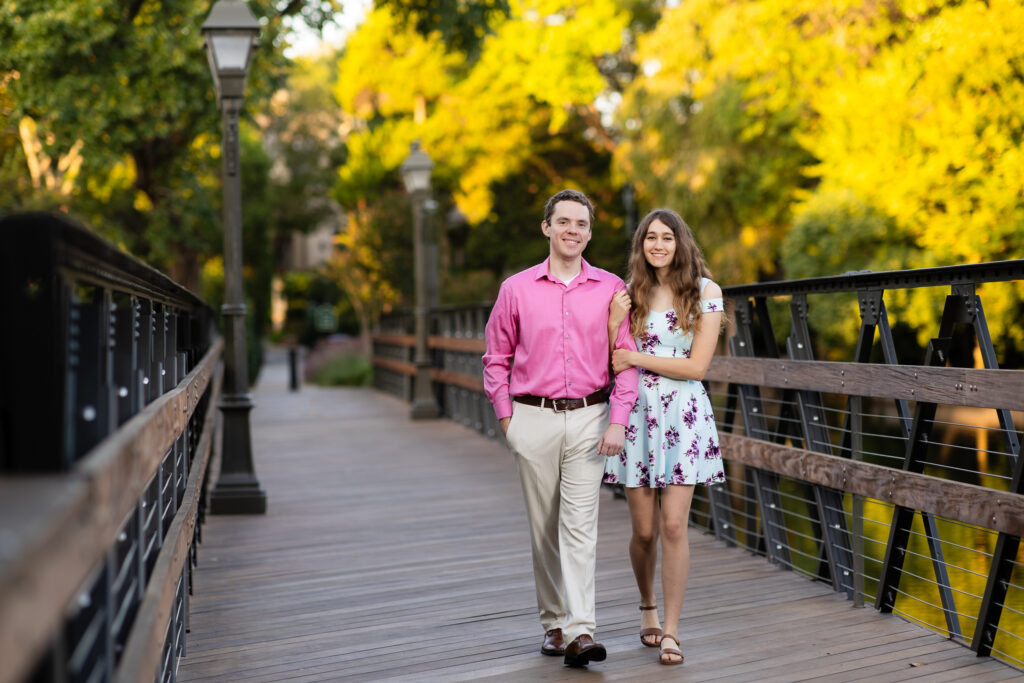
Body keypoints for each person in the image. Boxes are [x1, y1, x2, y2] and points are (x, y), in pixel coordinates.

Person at [483, 189, 639, 668]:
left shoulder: (612, 288)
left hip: (591, 417)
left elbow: (626, 361)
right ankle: (552, 620)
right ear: (546, 227)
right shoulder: (516, 289)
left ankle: (580, 630)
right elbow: (496, 359)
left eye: (582, 224)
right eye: (564, 222)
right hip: (532, 417)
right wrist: (509, 420)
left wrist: (618, 418)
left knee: (579, 525)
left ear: (590, 233)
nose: (573, 230)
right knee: (543, 527)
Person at [602, 208, 726, 665]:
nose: (658, 245)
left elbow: (697, 367)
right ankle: (647, 607)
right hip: (635, 414)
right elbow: (608, 356)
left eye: (667, 237)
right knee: (645, 530)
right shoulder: (628, 292)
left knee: (674, 525)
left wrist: (637, 360)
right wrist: (614, 322)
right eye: (650, 237)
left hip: (683, 416)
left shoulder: (706, 293)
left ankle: (672, 630)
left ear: (681, 242)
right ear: (641, 244)